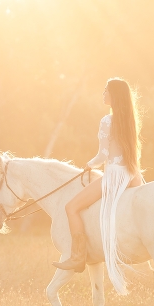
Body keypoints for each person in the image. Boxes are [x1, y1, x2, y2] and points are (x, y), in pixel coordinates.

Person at [53, 78, 143, 289]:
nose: (103, 93)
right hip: (132, 176)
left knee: (71, 207)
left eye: (106, 90)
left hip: (113, 177)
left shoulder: (107, 121)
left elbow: (103, 155)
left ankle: (77, 256)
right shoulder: (130, 120)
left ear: (114, 95)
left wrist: (89, 165)